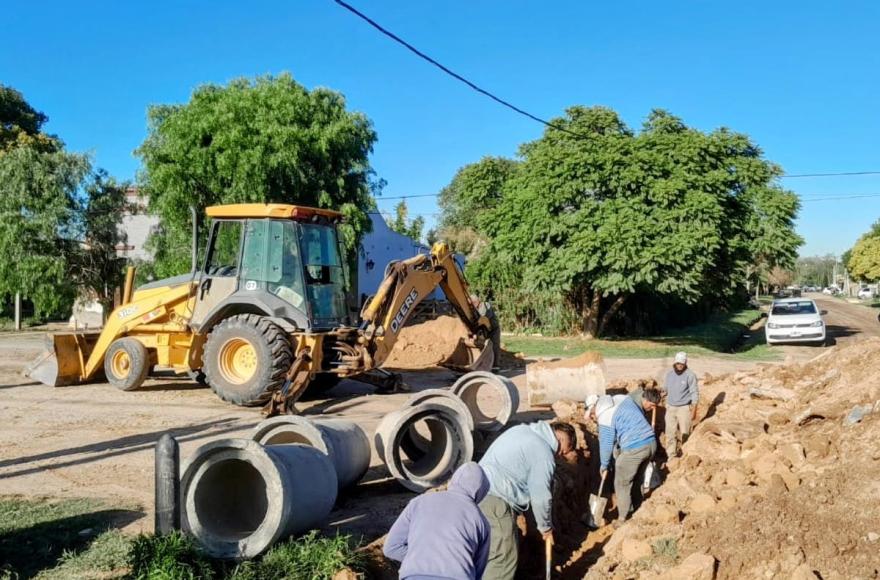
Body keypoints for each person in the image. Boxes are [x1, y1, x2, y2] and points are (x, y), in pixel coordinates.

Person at [477, 421, 576, 580]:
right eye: (567, 448)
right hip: (495, 497)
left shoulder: (522, 430)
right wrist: (545, 528)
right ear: (561, 438)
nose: (562, 454)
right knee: (504, 558)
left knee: (485, 550)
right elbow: (541, 497)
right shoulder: (543, 453)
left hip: (477, 488)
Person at [384, 462, 491, 580]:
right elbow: (478, 570)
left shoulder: (419, 502)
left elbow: (391, 548)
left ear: (453, 481)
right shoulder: (480, 520)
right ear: (481, 491)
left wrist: (421, 559)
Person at [596, 395, 657, 524]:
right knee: (637, 479)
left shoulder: (605, 416)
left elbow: (606, 445)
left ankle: (622, 518)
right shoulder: (623, 399)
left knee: (621, 482)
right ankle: (638, 509)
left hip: (635, 447)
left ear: (595, 409)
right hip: (651, 442)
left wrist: (604, 465)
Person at [661, 351, 700, 457]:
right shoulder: (669, 375)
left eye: (682, 364)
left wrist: (694, 409)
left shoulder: (690, 375)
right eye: (678, 363)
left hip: (684, 408)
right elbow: (665, 388)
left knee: (685, 433)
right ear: (674, 363)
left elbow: (694, 392)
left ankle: (685, 455)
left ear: (685, 363)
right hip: (670, 407)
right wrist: (662, 392)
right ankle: (671, 455)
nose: (679, 366)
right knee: (670, 433)